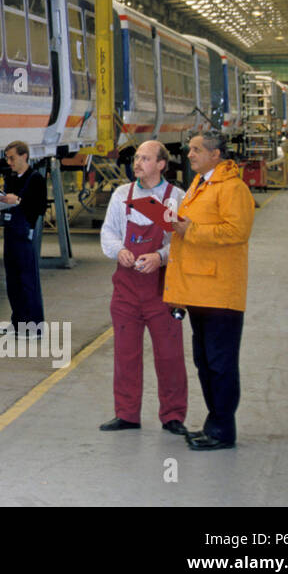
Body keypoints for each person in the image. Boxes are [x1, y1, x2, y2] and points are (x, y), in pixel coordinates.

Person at [165, 132, 255, 452]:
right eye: (190, 150)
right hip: (199, 290)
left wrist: (190, 229)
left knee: (220, 363)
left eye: (196, 150)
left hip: (220, 292)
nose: (189, 155)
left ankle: (223, 429)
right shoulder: (201, 184)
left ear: (215, 154)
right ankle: (213, 422)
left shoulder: (233, 188)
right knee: (205, 361)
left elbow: (237, 231)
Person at [98, 140, 187, 435]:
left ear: (162, 164)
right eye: (136, 158)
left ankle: (173, 415)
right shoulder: (123, 195)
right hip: (126, 289)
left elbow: (182, 243)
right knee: (126, 354)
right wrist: (118, 251)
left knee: (170, 355)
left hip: (163, 290)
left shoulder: (175, 198)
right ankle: (126, 414)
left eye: (145, 159)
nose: (137, 163)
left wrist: (160, 257)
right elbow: (109, 231)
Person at [0, 141, 47, 328]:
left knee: (28, 280)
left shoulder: (35, 179)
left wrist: (18, 200)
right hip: (10, 232)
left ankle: (34, 324)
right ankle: (18, 321)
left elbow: (40, 207)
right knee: (13, 279)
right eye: (8, 158)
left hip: (25, 233)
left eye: (12, 158)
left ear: (24, 156)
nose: (9, 162)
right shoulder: (11, 178)